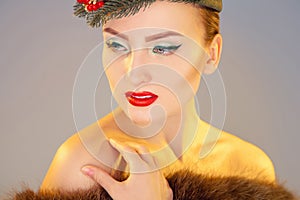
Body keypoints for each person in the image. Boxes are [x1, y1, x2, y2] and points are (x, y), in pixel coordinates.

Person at [40, 0, 276, 199]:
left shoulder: (249, 167)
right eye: (116, 45)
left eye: (162, 48)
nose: (133, 72)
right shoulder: (80, 165)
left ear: (211, 55)